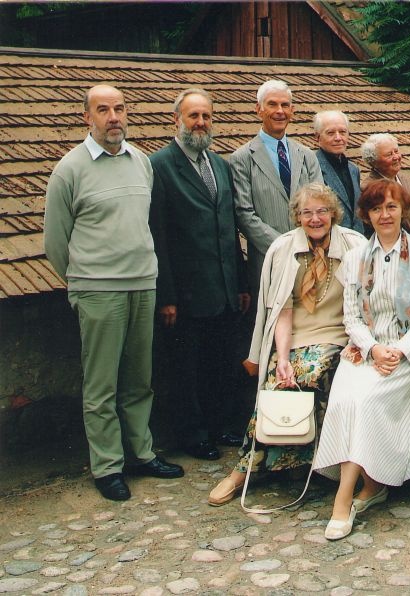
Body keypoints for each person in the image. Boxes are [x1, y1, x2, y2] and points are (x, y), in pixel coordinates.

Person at [44, 84, 183, 501]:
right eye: (103, 110)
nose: (113, 117)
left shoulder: (140, 161)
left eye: (119, 108)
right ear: (87, 117)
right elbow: (56, 242)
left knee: (140, 379)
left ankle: (142, 454)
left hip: (142, 284)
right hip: (98, 291)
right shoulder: (70, 169)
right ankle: (107, 467)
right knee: (101, 385)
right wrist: (85, 282)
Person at [208, 183, 366, 506]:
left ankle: (303, 464)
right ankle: (246, 468)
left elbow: (366, 304)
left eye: (322, 211)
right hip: (294, 335)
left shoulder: (354, 245)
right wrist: (281, 358)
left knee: (311, 372)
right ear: (297, 216)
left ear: (333, 214)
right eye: (307, 213)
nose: (315, 219)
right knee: (276, 379)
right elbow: (282, 310)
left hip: (337, 334)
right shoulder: (283, 248)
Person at [313, 178, 410, 540]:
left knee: (367, 401)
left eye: (391, 207)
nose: (384, 215)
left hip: (409, 350)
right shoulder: (356, 258)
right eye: (376, 209)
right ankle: (372, 486)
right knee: (344, 399)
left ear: (402, 210)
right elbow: (351, 317)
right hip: (366, 350)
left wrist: (398, 350)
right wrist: (372, 349)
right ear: (366, 215)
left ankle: (343, 500)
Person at [148, 88, 251, 461]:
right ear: (176, 120)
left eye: (206, 116)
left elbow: (229, 228)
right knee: (185, 369)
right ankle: (191, 436)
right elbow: (157, 235)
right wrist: (167, 296)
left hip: (223, 288)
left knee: (218, 362)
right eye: (193, 116)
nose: (201, 123)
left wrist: (240, 283)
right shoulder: (160, 166)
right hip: (186, 293)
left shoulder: (220, 165)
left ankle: (218, 425)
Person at [232, 79, 324, 297]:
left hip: (310, 260)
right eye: (272, 104)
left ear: (292, 110)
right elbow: (244, 214)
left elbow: (321, 206)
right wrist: (284, 247)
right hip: (268, 261)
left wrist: (308, 244)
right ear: (259, 109)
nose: (280, 111)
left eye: (285, 105)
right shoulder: (242, 158)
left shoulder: (307, 156)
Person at [360, 133, 410, 240]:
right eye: (389, 154)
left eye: (396, 151)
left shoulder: (403, 179)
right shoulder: (369, 188)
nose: (396, 157)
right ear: (374, 162)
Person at [313, 110, 364, 234]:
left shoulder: (353, 169)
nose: (338, 138)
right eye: (330, 133)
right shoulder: (312, 168)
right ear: (317, 137)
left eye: (342, 132)